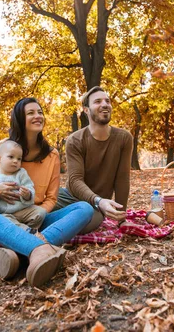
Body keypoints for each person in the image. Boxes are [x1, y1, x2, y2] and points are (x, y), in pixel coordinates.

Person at [0, 98, 94, 287]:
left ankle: (20, 253)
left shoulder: (52, 155)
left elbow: (51, 198)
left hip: (33, 219)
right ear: (19, 119)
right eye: (30, 113)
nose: (37, 116)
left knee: (84, 208)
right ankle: (36, 249)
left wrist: (39, 213)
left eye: (40, 112)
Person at [55, 86, 133, 233]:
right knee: (42, 199)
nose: (104, 104)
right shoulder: (75, 140)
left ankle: (49, 226)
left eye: (107, 101)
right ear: (86, 110)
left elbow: (122, 179)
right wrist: (99, 200)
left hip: (94, 208)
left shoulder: (124, 138)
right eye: (97, 101)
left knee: (90, 219)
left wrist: (121, 219)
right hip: (70, 198)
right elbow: (75, 180)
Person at [0, 140, 45, 231]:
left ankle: (30, 229)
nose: (15, 161)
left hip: (22, 211)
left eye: (19, 159)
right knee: (5, 221)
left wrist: (27, 194)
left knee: (40, 212)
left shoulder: (21, 173)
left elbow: (29, 186)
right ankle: (26, 232)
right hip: (3, 214)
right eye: (11, 157)